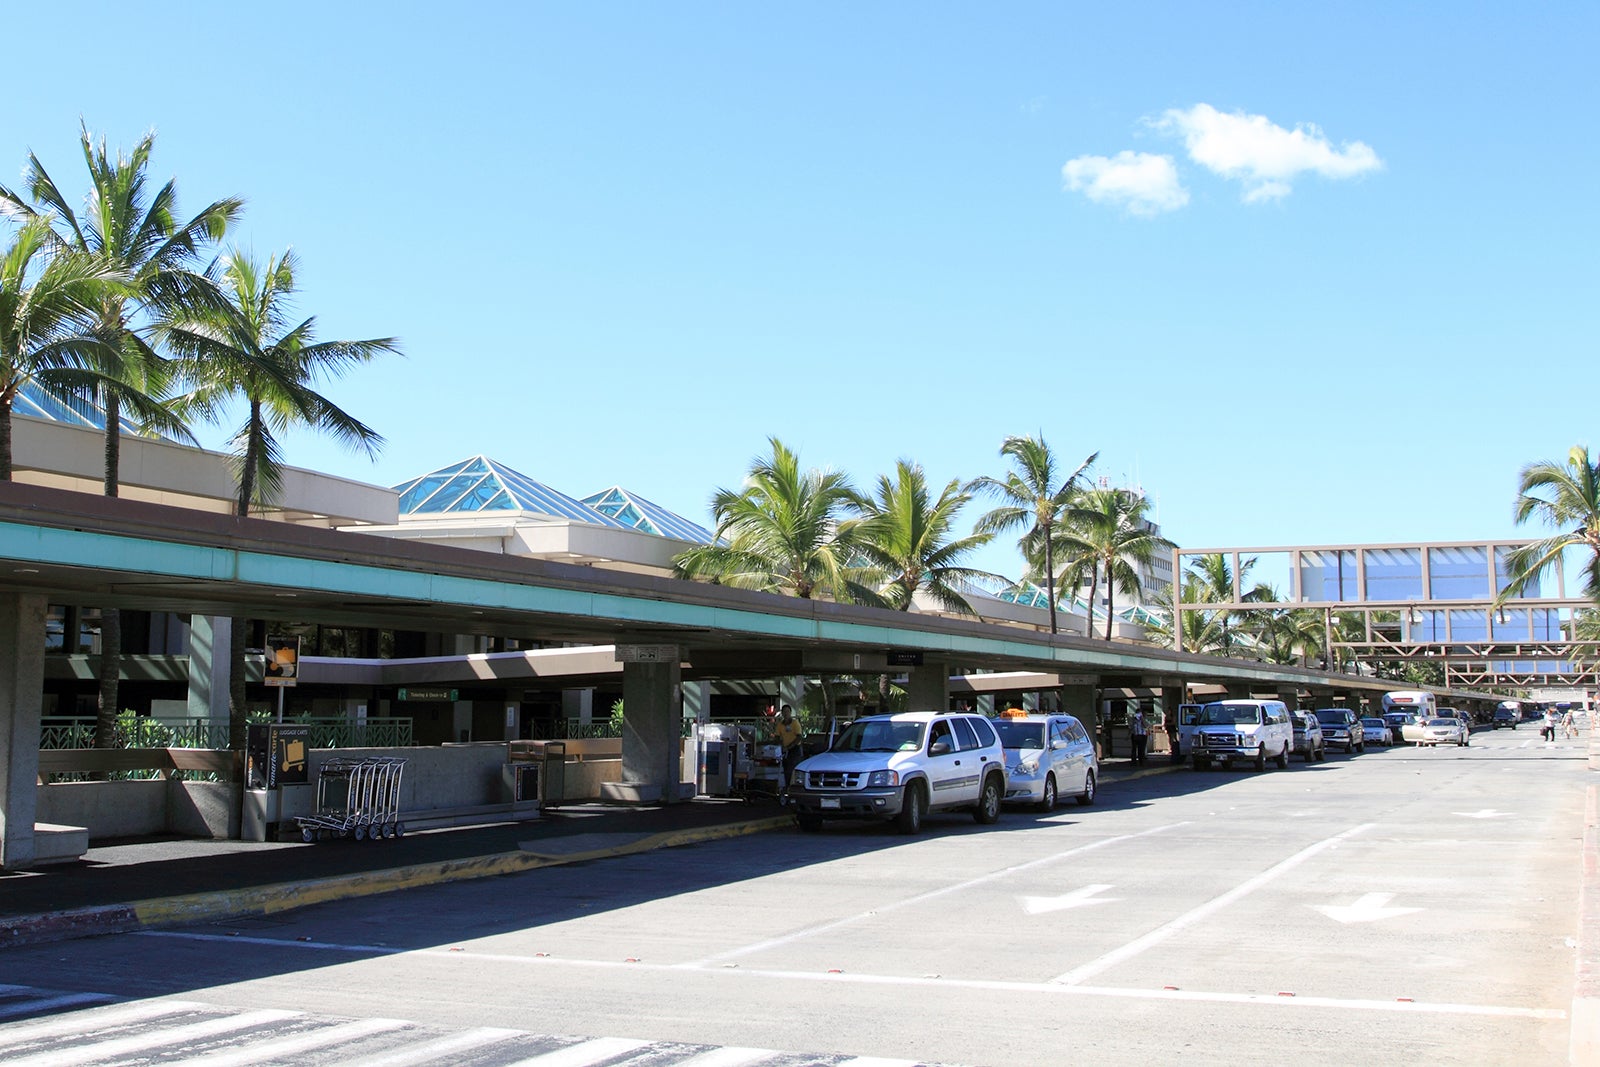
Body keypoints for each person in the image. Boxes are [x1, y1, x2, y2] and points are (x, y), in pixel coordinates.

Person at [774, 704, 804, 798]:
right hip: (785, 749)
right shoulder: (780, 724)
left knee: (792, 769)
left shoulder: (795, 723)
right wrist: (781, 745)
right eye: (784, 712)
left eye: (787, 712)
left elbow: (799, 737)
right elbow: (777, 736)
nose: (786, 714)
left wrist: (790, 747)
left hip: (794, 749)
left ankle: (793, 789)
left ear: (790, 713)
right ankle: (787, 788)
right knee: (785, 769)